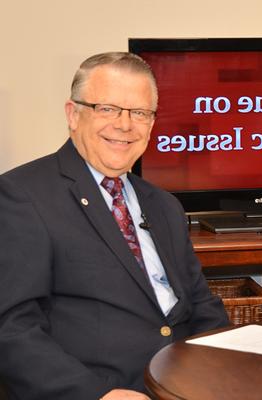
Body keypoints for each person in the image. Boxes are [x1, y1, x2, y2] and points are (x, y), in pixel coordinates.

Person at [0, 52, 230, 399]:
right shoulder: (22, 196)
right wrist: (97, 395)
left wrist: (231, 368)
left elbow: (201, 307)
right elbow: (12, 329)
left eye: (139, 113)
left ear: (152, 124)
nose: (125, 125)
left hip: (190, 385)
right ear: (73, 115)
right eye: (107, 108)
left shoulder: (165, 205)